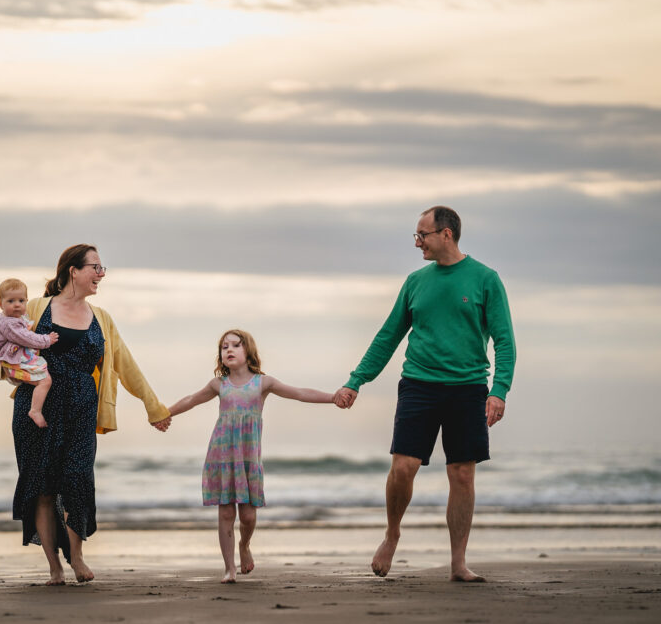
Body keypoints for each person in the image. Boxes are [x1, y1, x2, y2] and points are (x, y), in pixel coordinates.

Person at [333, 206, 516, 582]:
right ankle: (392, 533)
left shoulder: (485, 279)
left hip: (468, 388)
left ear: (446, 234)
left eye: (423, 235)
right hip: (419, 384)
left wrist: (498, 391)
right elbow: (388, 336)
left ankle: (458, 563)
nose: (417, 242)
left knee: (462, 474)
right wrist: (356, 380)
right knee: (404, 467)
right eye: (416, 235)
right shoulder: (416, 281)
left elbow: (505, 341)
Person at [10, 244, 172, 586]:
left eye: (102, 268)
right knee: (41, 486)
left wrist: (152, 405)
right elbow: (5, 343)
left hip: (82, 408)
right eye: (95, 267)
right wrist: (10, 370)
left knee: (78, 481)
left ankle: (78, 557)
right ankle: (54, 566)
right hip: (37, 408)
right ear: (73, 270)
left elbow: (126, 365)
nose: (101, 273)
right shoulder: (37, 308)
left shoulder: (101, 319)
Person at [167, 329, 335, 583]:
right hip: (222, 455)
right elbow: (191, 400)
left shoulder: (262, 383)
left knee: (247, 515)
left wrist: (333, 398)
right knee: (225, 513)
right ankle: (229, 568)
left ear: (249, 352)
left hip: (248, 458)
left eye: (236, 345)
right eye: (224, 347)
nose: (229, 350)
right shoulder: (218, 384)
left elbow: (299, 393)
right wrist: (164, 413)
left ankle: (244, 545)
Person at [0, 278, 59, 427]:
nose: (17, 305)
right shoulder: (9, 323)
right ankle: (35, 410)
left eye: (21, 300)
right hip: (15, 363)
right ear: (0, 304)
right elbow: (27, 338)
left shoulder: (5, 318)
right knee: (45, 381)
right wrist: (47, 339)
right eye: (11, 301)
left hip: (14, 361)